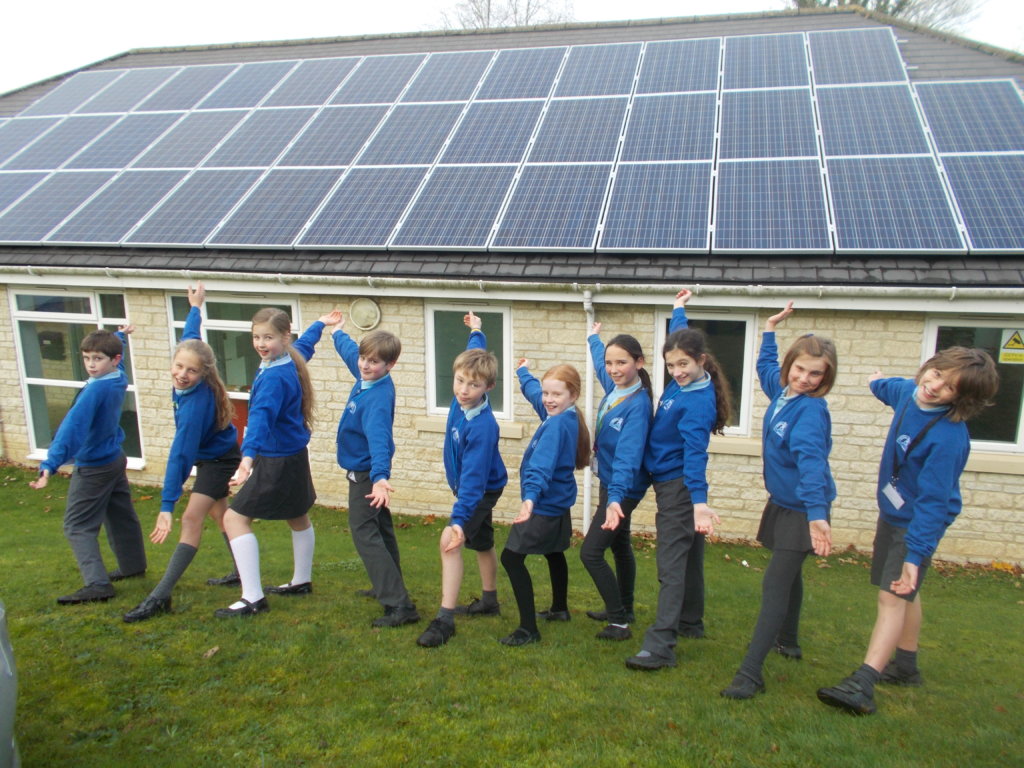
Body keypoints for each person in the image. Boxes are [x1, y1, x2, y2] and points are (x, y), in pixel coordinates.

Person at [817, 346, 998, 715]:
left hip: (918, 521)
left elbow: (933, 503)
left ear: (961, 399)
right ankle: (906, 666)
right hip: (894, 513)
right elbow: (889, 388)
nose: (934, 387)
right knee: (904, 594)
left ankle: (864, 682)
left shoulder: (948, 438)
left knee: (892, 597)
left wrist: (915, 555)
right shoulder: (909, 393)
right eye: (935, 374)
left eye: (948, 387)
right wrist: (874, 381)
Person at [721, 301, 837, 699]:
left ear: (826, 377)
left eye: (815, 373)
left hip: (805, 505)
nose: (804, 378)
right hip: (785, 501)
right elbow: (765, 369)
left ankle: (750, 673)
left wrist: (817, 517)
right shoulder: (784, 392)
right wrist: (769, 330)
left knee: (775, 584)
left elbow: (812, 464)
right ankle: (788, 641)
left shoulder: (809, 411)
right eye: (799, 369)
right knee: (790, 574)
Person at [122, 283, 242, 622]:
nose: (182, 374)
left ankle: (159, 597)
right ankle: (243, 573)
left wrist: (166, 506)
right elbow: (191, 339)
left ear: (203, 373)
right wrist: (195, 307)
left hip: (219, 461)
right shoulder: (192, 363)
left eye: (190, 371)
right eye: (178, 366)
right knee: (223, 517)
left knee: (192, 519)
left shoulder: (194, 407)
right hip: (212, 455)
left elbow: (180, 455)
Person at [625, 289, 730, 670]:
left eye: (683, 364)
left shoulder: (697, 401)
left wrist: (698, 503)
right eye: (671, 366)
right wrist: (679, 310)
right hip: (668, 480)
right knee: (690, 558)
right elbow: (681, 339)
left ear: (701, 361)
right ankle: (690, 622)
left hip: (680, 487)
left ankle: (661, 646)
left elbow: (695, 457)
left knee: (670, 564)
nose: (677, 371)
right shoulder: (681, 384)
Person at [215, 307, 337, 617]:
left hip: (277, 460)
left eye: (268, 337)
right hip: (293, 455)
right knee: (297, 516)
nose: (260, 343)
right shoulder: (289, 360)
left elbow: (259, 420)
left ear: (285, 337)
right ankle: (301, 581)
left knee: (234, 519)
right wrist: (320, 324)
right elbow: (306, 345)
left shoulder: (274, 376)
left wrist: (246, 462)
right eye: (256, 337)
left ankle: (252, 598)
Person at [29, 326, 147, 605]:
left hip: (95, 465)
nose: (91, 365)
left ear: (114, 360)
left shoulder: (95, 391)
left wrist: (50, 463)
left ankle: (97, 584)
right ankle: (132, 565)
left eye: (98, 359)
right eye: (86, 358)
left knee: (77, 525)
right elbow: (117, 355)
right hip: (114, 458)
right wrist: (119, 337)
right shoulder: (118, 377)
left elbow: (72, 428)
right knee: (120, 515)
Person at [416, 311, 508, 648]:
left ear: (489, 388)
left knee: (449, 542)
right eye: (459, 381)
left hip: (482, 490)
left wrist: (457, 521)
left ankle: (444, 619)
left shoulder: (483, 427)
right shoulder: (461, 402)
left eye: (473, 385)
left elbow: (473, 482)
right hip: (478, 486)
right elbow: (474, 355)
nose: (464, 390)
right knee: (481, 542)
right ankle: (489, 600)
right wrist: (477, 331)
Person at [330, 316, 419, 628]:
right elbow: (350, 352)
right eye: (364, 359)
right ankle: (389, 586)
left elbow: (380, 441)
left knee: (364, 533)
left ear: (390, 365)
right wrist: (337, 331)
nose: (366, 366)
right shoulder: (367, 377)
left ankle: (399, 605)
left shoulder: (378, 398)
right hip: (367, 475)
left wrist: (380, 478)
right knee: (380, 531)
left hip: (368, 476)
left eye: (374, 362)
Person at [500, 361, 591, 646]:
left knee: (511, 558)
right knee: (554, 552)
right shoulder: (566, 416)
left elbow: (541, 467)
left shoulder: (555, 427)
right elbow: (535, 395)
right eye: (546, 393)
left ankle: (528, 629)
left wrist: (530, 500)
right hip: (559, 501)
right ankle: (560, 609)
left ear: (573, 395)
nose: (549, 400)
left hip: (543, 504)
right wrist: (523, 373)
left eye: (556, 395)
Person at [580, 324, 652, 641]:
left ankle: (619, 622)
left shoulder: (638, 405)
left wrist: (615, 499)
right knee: (620, 546)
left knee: (591, 552)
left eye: (621, 362)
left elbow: (628, 456)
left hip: (622, 487)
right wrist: (595, 339)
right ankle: (624, 607)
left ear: (639, 362)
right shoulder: (614, 388)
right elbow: (599, 363)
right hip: (611, 482)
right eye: (611, 363)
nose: (613, 369)